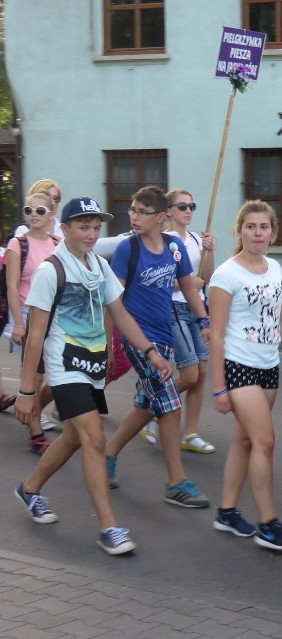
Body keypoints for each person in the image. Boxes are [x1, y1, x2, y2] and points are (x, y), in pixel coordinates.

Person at [13, 197, 171, 555]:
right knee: (94, 438)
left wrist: (149, 351)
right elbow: (36, 335)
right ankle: (108, 526)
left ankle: (30, 488)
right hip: (64, 366)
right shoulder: (50, 271)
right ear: (64, 228)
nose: (90, 233)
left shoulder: (100, 266)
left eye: (96, 227)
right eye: (83, 226)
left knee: (72, 437)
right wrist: (26, 392)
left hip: (93, 365)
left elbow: (122, 314)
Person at [103, 186, 211, 508]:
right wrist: (110, 346)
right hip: (138, 339)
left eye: (142, 211)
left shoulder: (174, 246)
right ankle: (176, 483)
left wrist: (204, 320)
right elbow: (113, 300)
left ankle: (107, 455)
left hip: (164, 338)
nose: (134, 217)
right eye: (132, 210)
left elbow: (190, 287)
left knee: (145, 406)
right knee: (170, 405)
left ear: (161, 217)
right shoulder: (127, 249)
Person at [209, 200, 282, 550]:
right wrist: (219, 387)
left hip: (268, 367)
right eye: (251, 226)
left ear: (273, 232)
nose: (258, 233)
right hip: (238, 366)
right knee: (265, 442)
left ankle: (227, 511)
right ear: (240, 230)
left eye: (264, 227)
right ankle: (268, 523)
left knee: (245, 441)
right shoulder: (226, 275)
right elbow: (216, 334)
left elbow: (278, 319)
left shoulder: (275, 269)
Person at [138, 188, 217, 453]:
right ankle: (150, 407)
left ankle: (190, 433)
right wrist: (184, 284)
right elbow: (159, 281)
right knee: (190, 372)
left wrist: (210, 250)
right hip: (172, 309)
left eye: (191, 206)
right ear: (168, 211)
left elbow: (205, 277)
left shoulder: (195, 239)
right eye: (182, 206)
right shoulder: (165, 240)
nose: (188, 211)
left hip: (196, 309)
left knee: (201, 373)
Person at [5, 191, 60, 454]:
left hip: (56, 316)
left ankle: (32, 410)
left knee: (59, 374)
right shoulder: (19, 244)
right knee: (35, 376)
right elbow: (12, 287)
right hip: (29, 315)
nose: (33, 215)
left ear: (51, 214)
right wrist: (18, 323)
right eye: (29, 210)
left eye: (40, 211)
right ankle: (36, 434)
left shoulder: (58, 243)